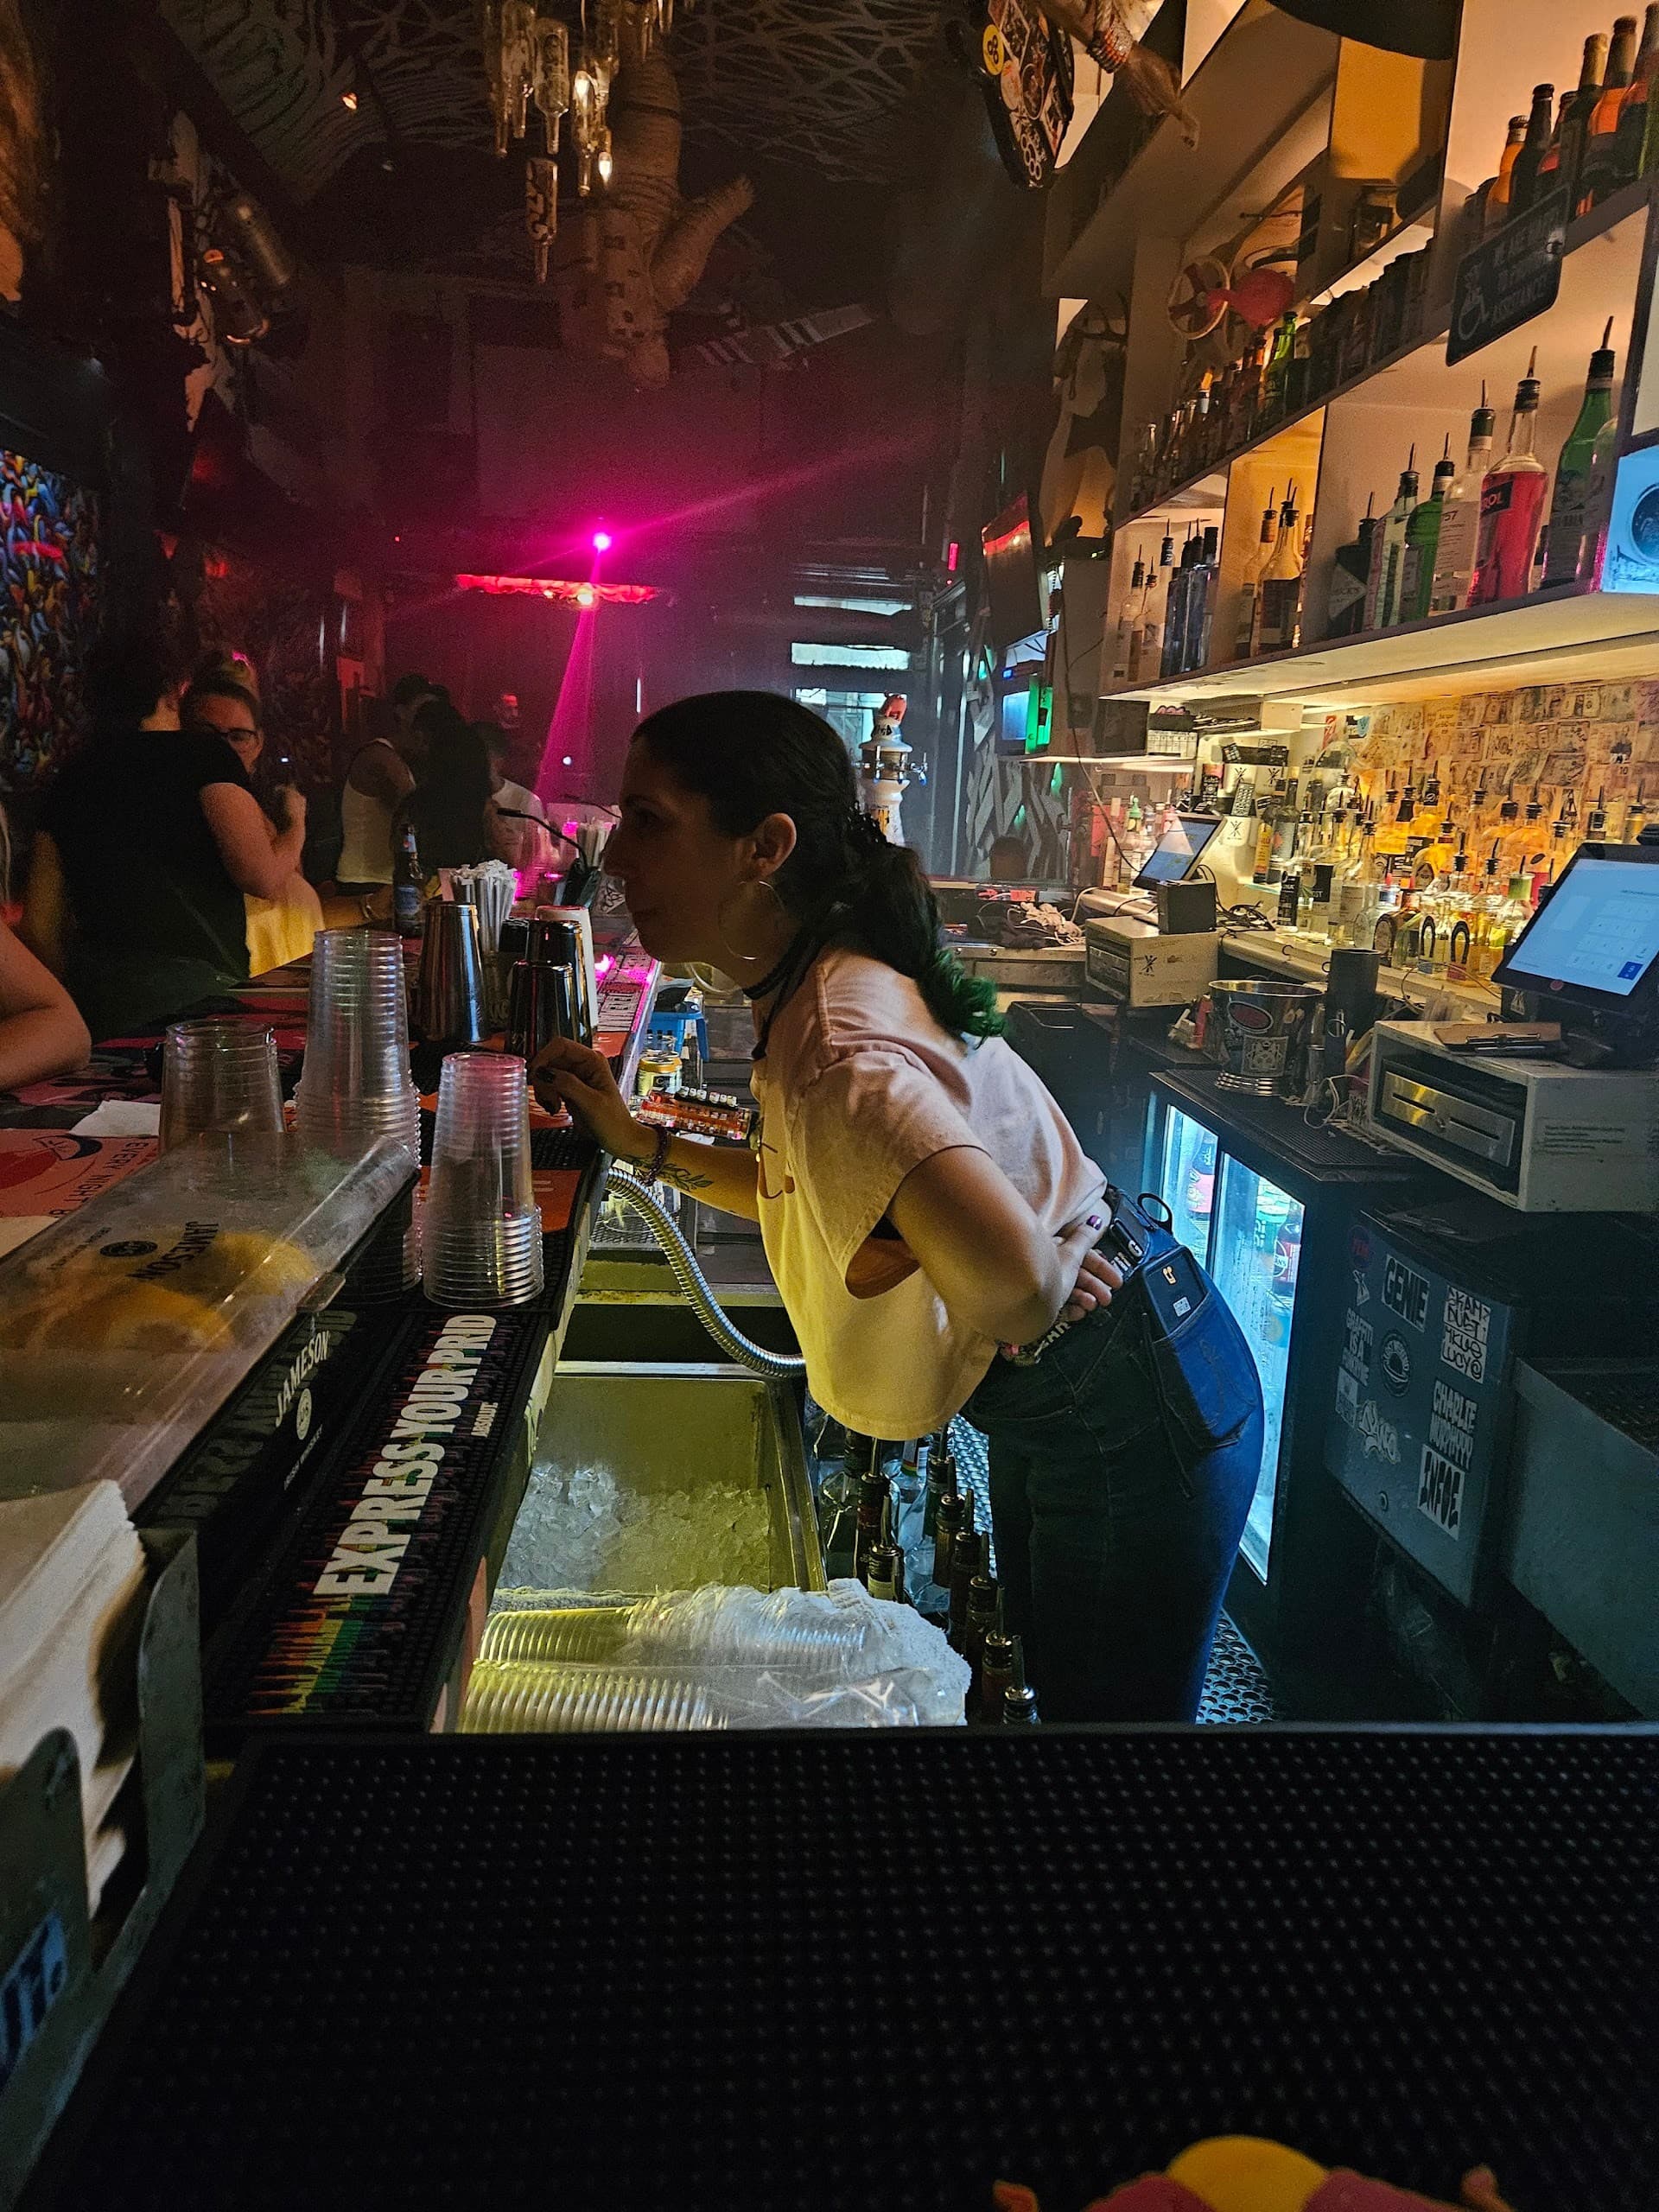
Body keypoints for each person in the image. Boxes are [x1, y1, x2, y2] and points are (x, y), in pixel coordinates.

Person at [531, 692, 1262, 1724]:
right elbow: (805, 1182)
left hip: (1134, 1402)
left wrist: (1053, 1260)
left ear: (764, 847)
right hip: (1101, 1380)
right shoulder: (812, 984)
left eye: (650, 822)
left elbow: (1014, 1292)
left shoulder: (839, 1047)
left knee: (1113, 1758)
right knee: (1073, 1710)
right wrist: (645, 1144)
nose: (619, 860)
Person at [23, 634, 305, 1039]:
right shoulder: (204, 757)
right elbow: (261, 876)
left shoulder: (70, 776)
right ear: (174, 694)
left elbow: (39, 925)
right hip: (194, 1000)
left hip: (98, 1001)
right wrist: (296, 823)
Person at [180, 666, 322, 973]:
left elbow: (291, 884)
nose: (222, 748)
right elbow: (267, 883)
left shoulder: (260, 800)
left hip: (287, 960)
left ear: (258, 743)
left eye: (238, 736)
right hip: (249, 971)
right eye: (207, 733)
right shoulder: (185, 806)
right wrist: (297, 821)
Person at [336, 674, 443, 893]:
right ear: (401, 712)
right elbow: (415, 815)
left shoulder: (408, 759)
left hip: (385, 879)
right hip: (365, 881)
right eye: (423, 708)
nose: (430, 716)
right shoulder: (380, 757)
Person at [395, 708, 510, 873]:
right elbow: (506, 857)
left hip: (423, 892)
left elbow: (401, 852)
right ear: (479, 765)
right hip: (468, 893)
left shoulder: (413, 806)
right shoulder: (484, 808)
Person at [476, 721, 557, 877]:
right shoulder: (458, 800)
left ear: (498, 761)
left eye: (480, 757)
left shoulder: (526, 801)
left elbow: (536, 864)